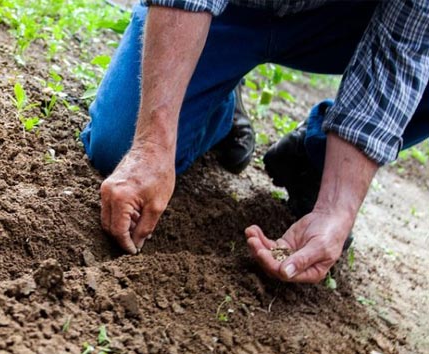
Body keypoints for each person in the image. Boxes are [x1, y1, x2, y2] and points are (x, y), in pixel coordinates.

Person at [80, 0, 429, 283]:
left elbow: (404, 50)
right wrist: (152, 145)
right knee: (119, 146)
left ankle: (316, 160)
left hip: (342, 21)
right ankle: (219, 103)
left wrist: (336, 208)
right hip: (229, 11)